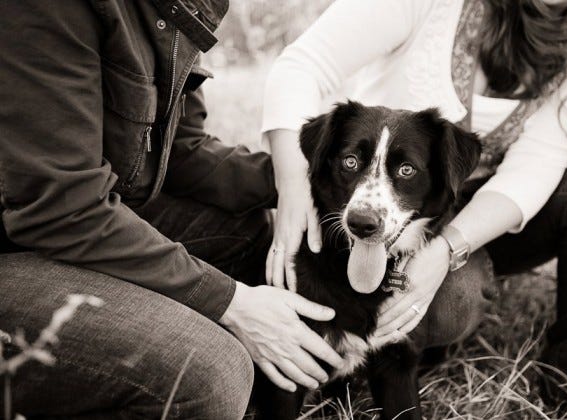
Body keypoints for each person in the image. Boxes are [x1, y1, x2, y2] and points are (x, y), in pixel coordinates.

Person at [263, 0, 567, 399]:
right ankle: (379, 350)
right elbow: (303, 63)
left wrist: (445, 250)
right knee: (446, 307)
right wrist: (293, 184)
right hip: (371, 199)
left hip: (488, 215)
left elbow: (538, 162)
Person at [0, 1, 346, 418]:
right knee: (210, 379)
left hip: (68, 219)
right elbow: (63, 209)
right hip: (20, 244)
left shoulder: (175, 7)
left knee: (250, 233)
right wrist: (231, 303)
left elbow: (182, 152)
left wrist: (307, 182)